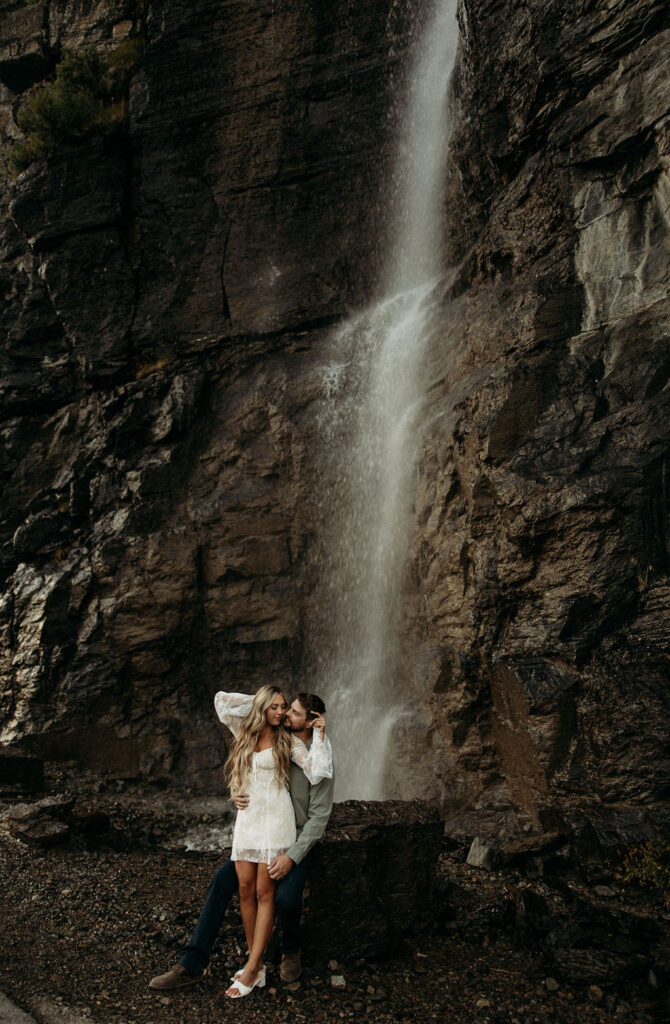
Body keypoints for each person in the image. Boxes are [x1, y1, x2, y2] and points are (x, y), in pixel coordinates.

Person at [149, 690, 334, 994]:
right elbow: (223, 704)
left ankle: (285, 951)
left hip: (294, 837)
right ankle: (192, 964)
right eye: (280, 709)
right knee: (225, 883)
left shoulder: (310, 749)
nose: (285, 714)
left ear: (311, 721)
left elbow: (318, 817)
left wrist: (291, 856)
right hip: (253, 826)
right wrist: (264, 700)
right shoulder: (264, 731)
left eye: (291, 712)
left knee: (280, 897)